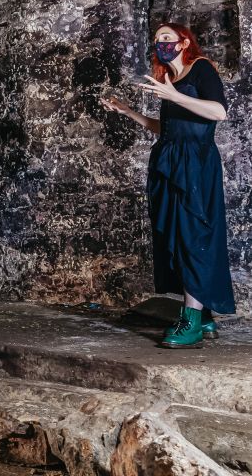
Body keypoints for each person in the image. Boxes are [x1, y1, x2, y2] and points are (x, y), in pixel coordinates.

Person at [102, 23, 235, 348]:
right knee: (175, 236)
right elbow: (169, 128)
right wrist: (129, 111)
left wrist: (174, 95)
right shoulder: (168, 81)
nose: (159, 43)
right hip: (169, 162)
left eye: (166, 37)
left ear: (184, 40)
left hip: (196, 165)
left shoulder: (201, 68)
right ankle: (202, 317)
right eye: (156, 39)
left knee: (193, 236)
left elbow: (219, 112)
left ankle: (189, 321)